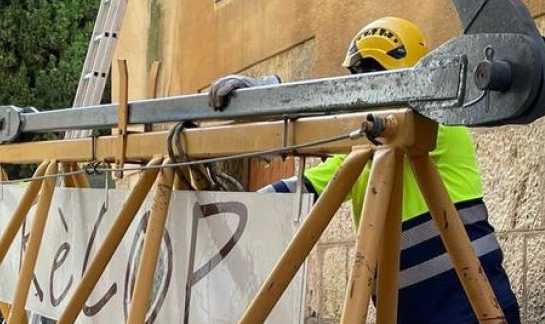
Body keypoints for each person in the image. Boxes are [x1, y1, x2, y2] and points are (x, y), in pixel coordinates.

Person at [208, 17, 521, 324]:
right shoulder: (365, 153)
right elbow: (304, 188)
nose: (363, 92)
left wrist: (278, 99)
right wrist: (229, 212)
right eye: (357, 79)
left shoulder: (437, 123)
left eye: (372, 77)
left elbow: (389, 112)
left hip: (475, 310)